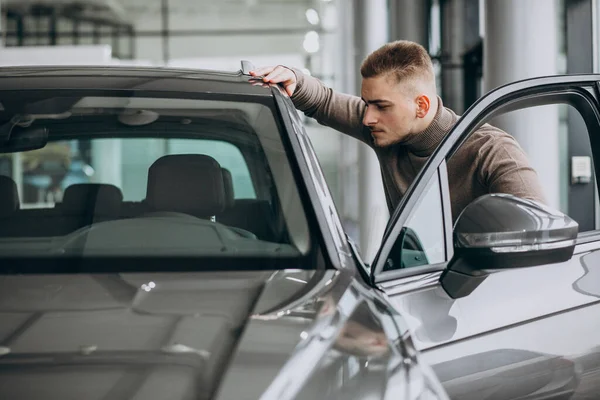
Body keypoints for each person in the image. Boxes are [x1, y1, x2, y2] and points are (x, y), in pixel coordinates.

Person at [250, 40, 546, 220]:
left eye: (380, 105)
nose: (367, 118)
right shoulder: (386, 129)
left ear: (421, 105)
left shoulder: (491, 150)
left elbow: (537, 227)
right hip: (411, 287)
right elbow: (324, 101)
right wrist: (294, 78)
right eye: (366, 104)